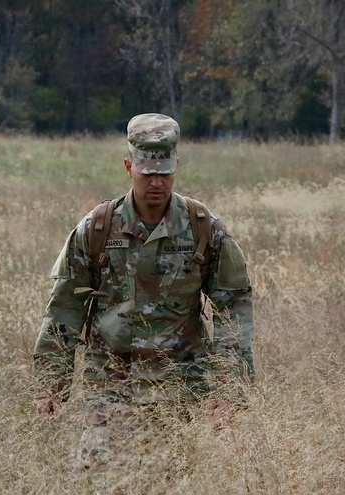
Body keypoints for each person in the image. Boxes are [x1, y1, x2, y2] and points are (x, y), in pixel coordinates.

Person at [33, 113, 255, 466]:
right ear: (128, 167)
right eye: (147, 173)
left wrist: (230, 389)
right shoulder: (97, 228)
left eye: (164, 173)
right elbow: (64, 310)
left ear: (176, 166)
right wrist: (51, 386)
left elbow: (234, 310)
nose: (156, 182)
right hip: (108, 387)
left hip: (182, 391)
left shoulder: (203, 229)